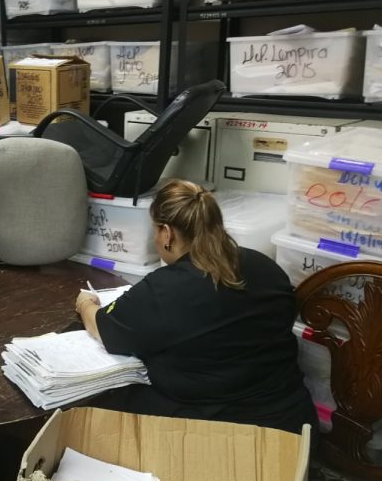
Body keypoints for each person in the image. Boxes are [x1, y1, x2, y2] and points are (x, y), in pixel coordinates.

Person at [75, 179, 317, 434]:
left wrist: (85, 304)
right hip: (292, 423)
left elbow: (103, 327)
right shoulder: (266, 266)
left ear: (167, 233)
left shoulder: (164, 288)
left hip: (221, 433)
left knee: (103, 402)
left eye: (155, 230)